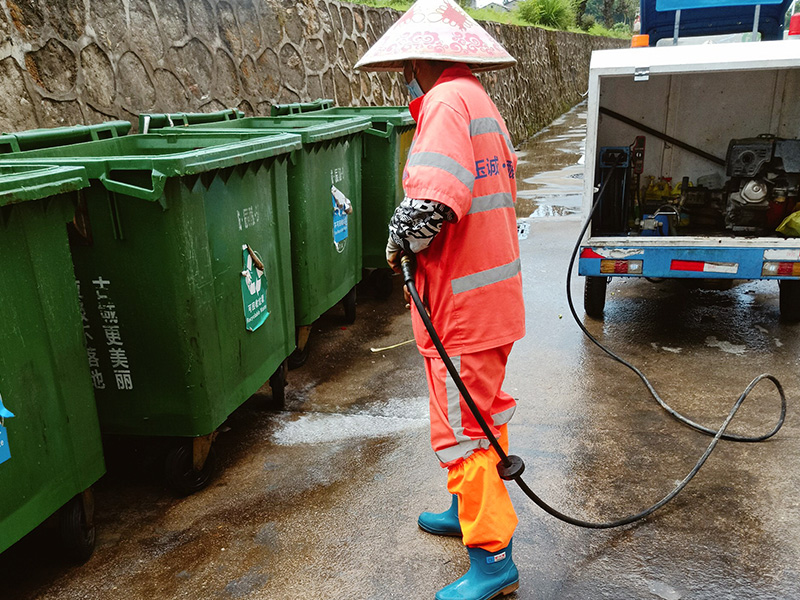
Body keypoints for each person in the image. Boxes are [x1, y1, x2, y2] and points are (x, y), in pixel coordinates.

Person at [355, 1, 525, 599]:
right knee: (483, 416)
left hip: (462, 311)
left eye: (406, 64)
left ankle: (493, 555)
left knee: (462, 433)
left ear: (421, 59)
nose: (405, 74)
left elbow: (432, 205)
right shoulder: (479, 102)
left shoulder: (447, 105)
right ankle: (464, 510)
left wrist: (396, 240)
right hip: (491, 302)